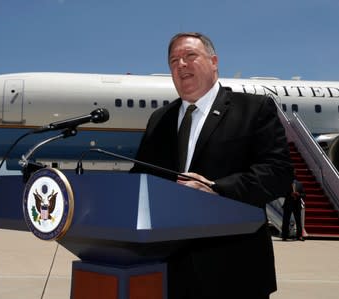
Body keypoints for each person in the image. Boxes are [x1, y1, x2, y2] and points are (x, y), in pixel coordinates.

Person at [131, 32, 293, 299]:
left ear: (214, 62)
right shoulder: (159, 120)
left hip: (234, 271)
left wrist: (217, 189)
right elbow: (141, 179)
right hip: (166, 271)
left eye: (189, 56)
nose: (180, 64)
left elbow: (278, 173)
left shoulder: (253, 109)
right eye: (173, 60)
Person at [281, 175, 306, 241]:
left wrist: (298, 194)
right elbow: (282, 193)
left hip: (296, 205)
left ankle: (299, 236)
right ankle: (284, 236)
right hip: (288, 205)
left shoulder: (300, 184)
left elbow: (304, 194)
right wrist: (290, 194)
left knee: (298, 222)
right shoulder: (286, 184)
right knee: (286, 221)